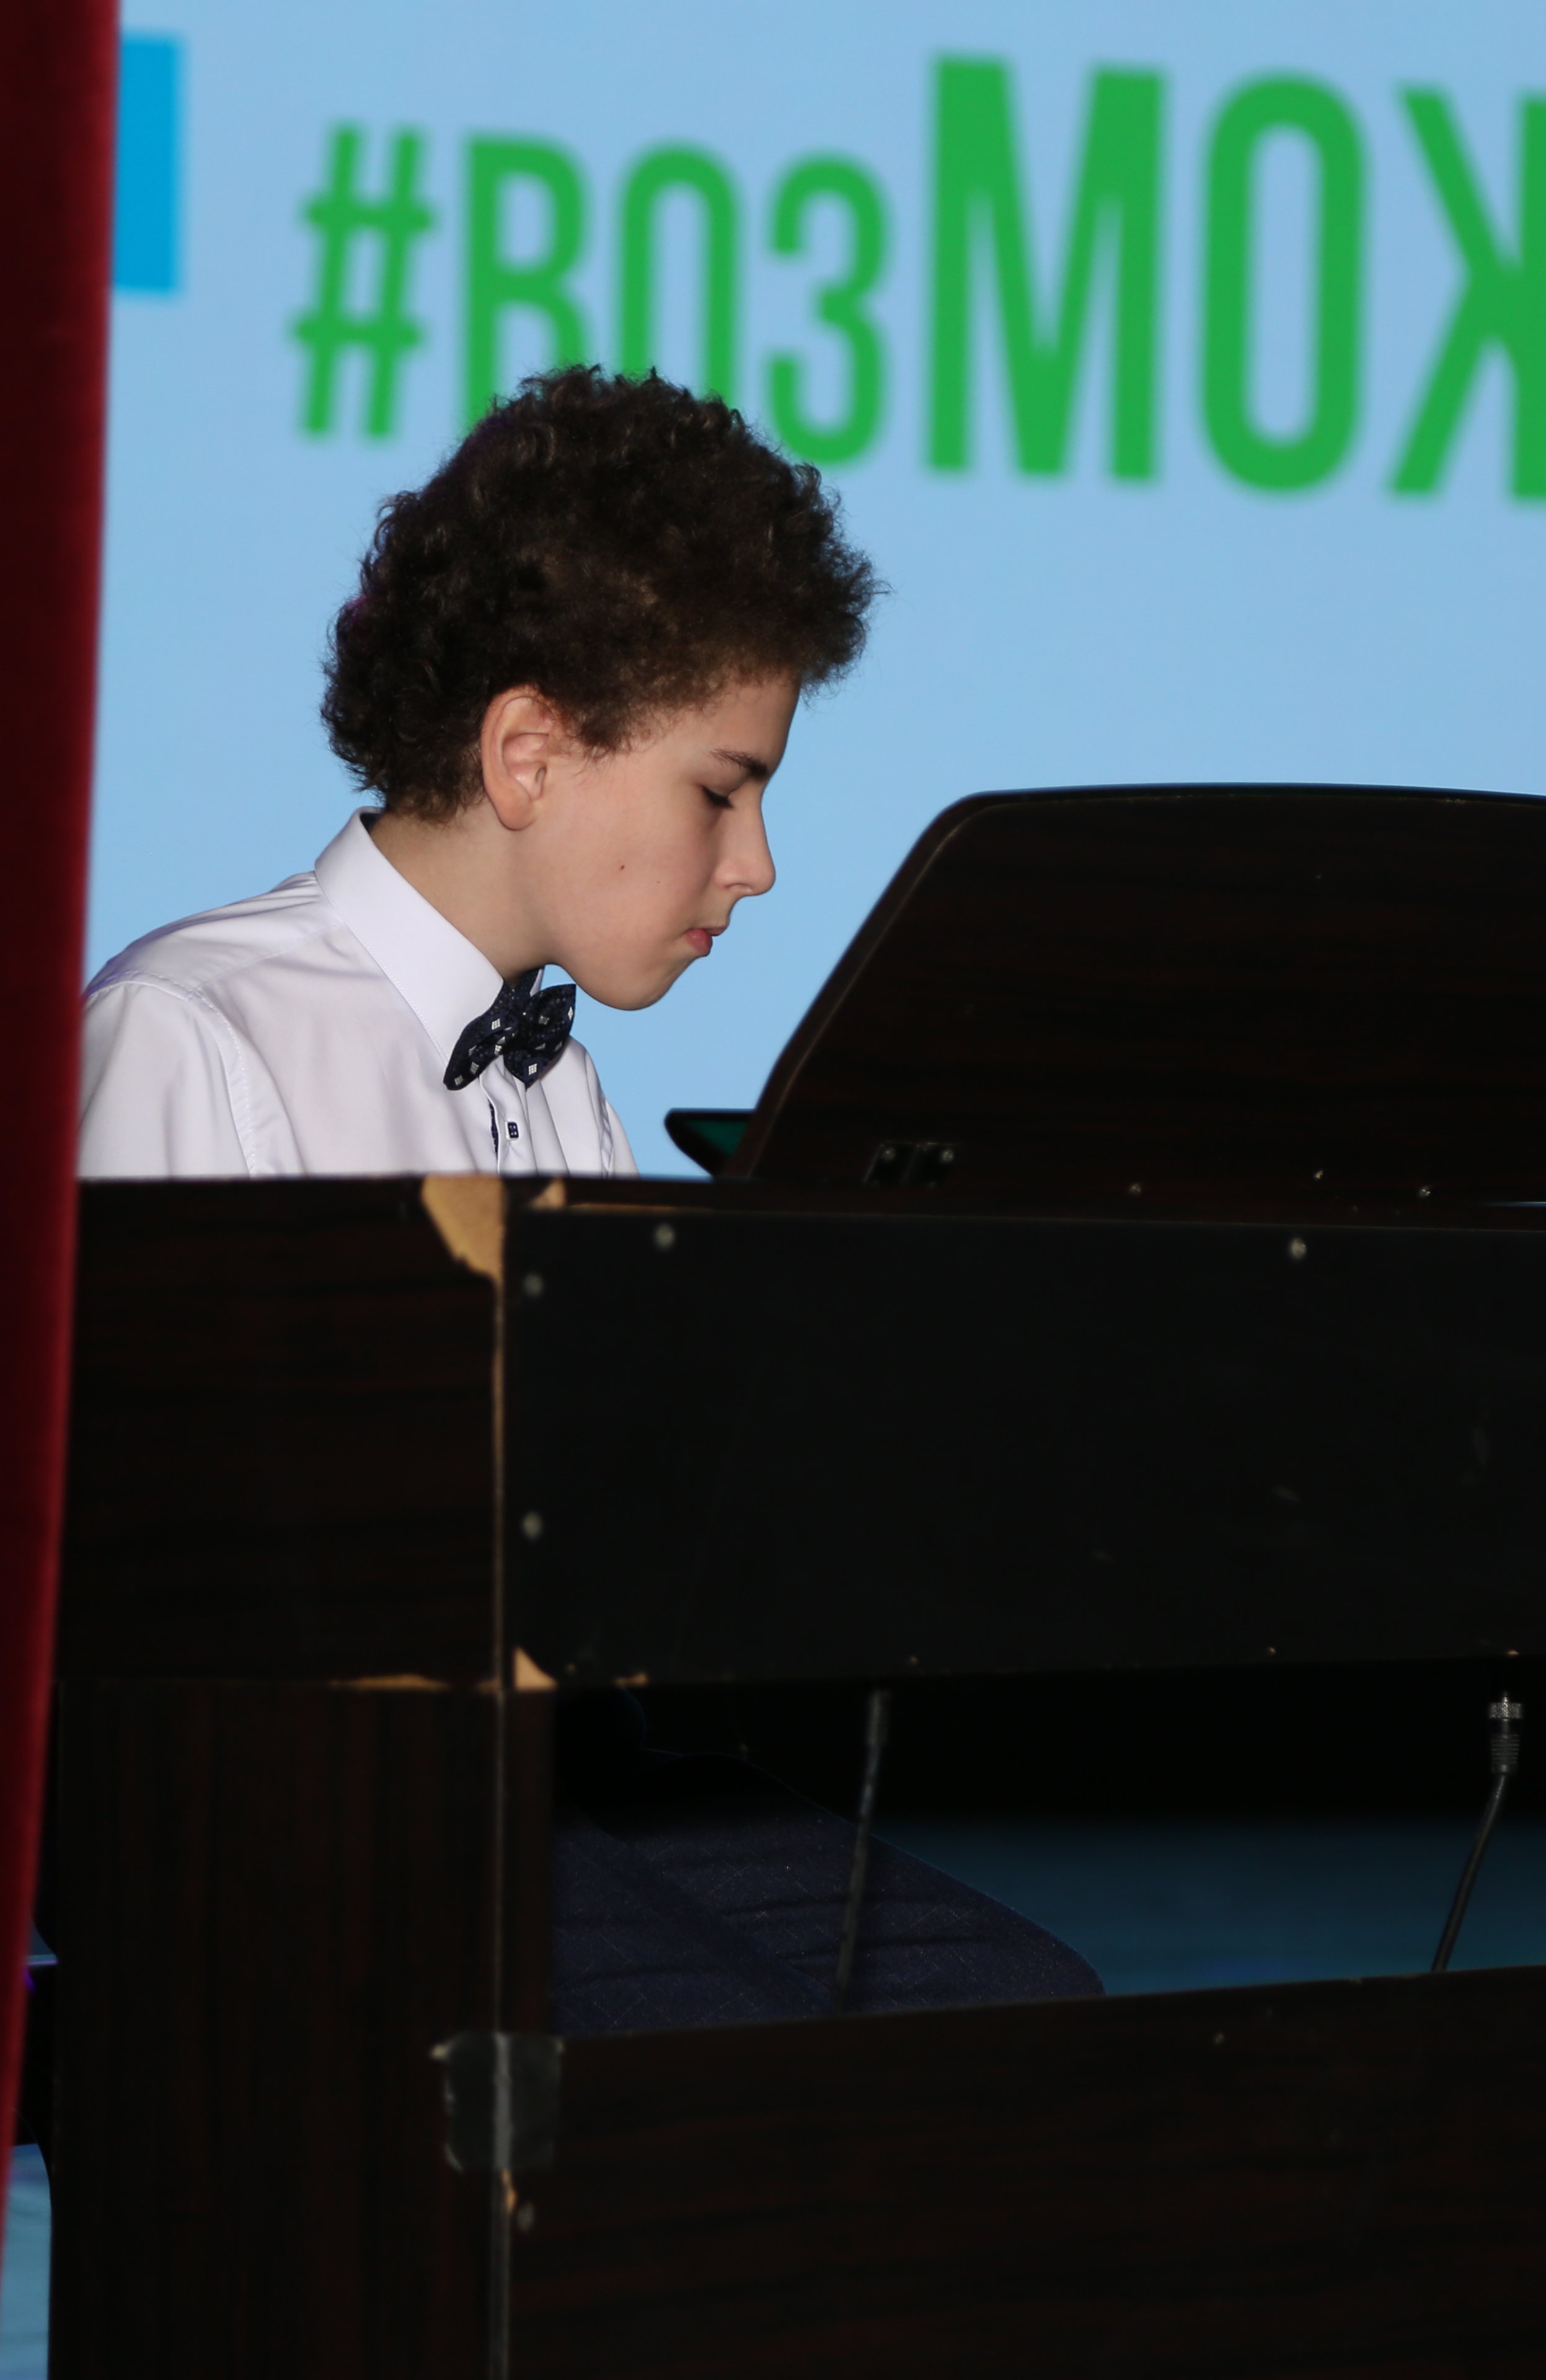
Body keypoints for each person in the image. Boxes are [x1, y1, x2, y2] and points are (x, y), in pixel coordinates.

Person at [76, 366, 1098, 2030]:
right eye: (721, 789)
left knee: (1018, 2010)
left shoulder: (562, 1082)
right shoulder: (195, 1031)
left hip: (563, 1765)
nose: (757, 863)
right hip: (295, 1792)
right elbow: (147, 1602)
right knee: (731, 2061)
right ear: (529, 753)